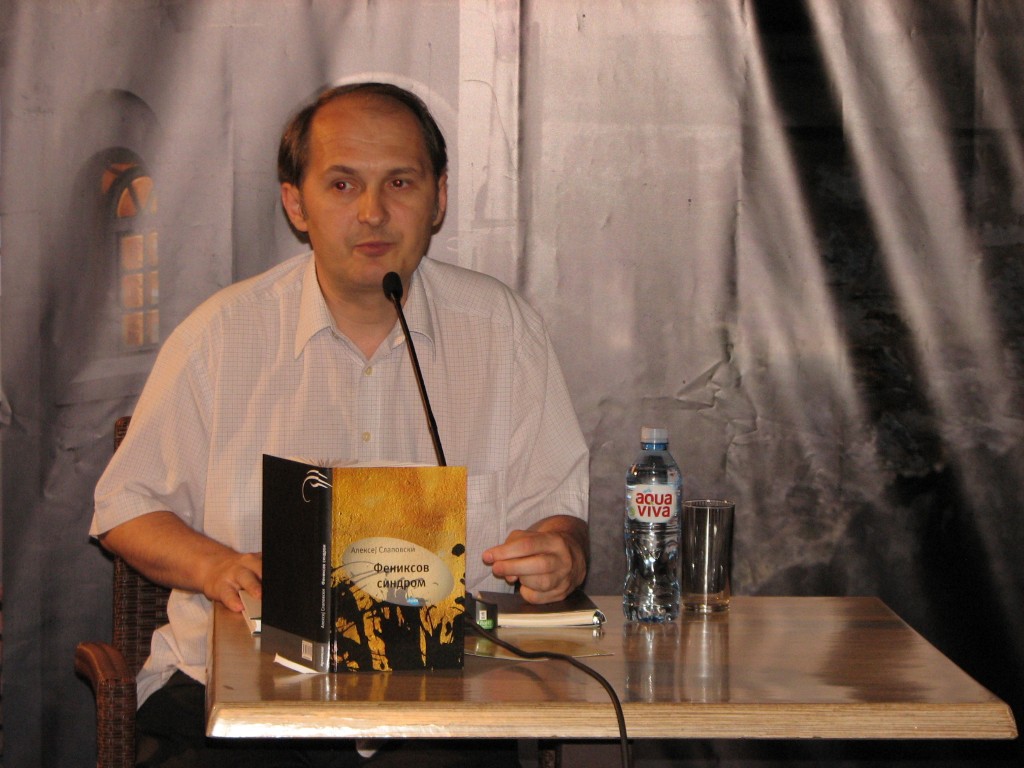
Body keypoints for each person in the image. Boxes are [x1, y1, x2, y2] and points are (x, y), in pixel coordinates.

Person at [90, 82, 589, 767]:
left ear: (439, 198)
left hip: (445, 705)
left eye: (401, 183)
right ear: (296, 203)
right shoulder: (220, 337)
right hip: (242, 704)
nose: (373, 212)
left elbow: (559, 514)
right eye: (343, 184)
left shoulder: (503, 332)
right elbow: (124, 507)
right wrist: (216, 566)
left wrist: (560, 553)